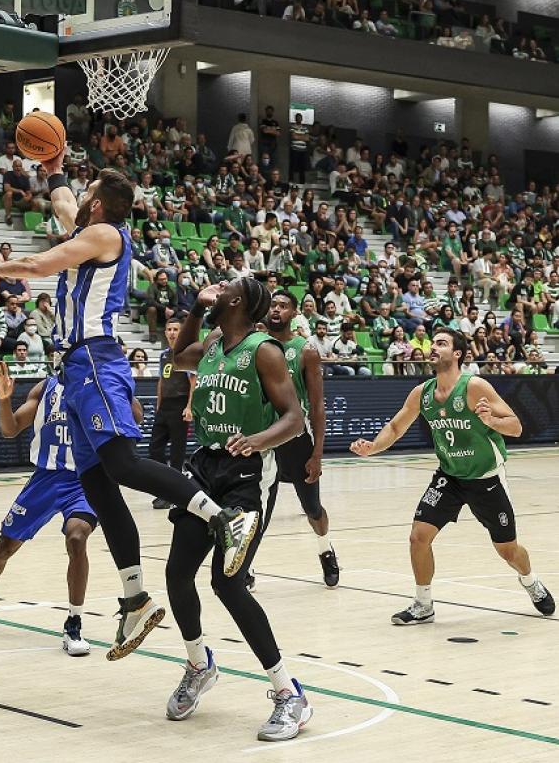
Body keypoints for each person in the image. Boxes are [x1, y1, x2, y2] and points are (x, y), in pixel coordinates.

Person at [0, 159, 263, 661]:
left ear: (100, 205)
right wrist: (54, 169)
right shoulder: (89, 227)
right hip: (72, 368)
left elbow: (40, 267)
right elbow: (63, 203)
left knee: (122, 465)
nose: (77, 195)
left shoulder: (104, 234)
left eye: (86, 190)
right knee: (100, 488)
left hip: (96, 361)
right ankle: (135, 599)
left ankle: (224, 516)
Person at [165, 277, 310, 740]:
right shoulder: (210, 343)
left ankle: (290, 693)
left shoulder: (263, 350)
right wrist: (193, 307)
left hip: (246, 474)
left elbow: (294, 418)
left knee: (227, 584)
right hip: (205, 466)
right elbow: (175, 357)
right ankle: (198, 664)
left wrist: (256, 441)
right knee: (176, 572)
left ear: (239, 302)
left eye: (224, 286)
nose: (217, 287)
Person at [350, 328, 555, 624]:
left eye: (441, 343)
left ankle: (530, 581)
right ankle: (423, 604)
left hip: (486, 478)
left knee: (508, 550)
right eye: (433, 342)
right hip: (449, 477)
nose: (434, 347)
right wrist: (373, 448)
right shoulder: (422, 393)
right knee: (418, 536)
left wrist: (491, 420)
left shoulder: (475, 387)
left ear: (457, 354)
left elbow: (516, 426)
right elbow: (395, 428)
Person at [0, 363, 133, 657]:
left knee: (77, 538)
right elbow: (10, 428)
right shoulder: (46, 388)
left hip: (85, 479)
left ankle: (74, 621)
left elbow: (138, 416)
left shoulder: (102, 384)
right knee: (4, 546)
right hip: (45, 479)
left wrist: (116, 387)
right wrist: (4, 400)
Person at [264, 291, 339, 588]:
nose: (277, 310)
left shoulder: (305, 350)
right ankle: (244, 567)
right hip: (262, 439)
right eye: (273, 305)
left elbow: (318, 404)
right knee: (255, 510)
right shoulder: (255, 346)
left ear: (294, 314)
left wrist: (317, 452)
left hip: (296, 439)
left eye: (283, 306)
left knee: (313, 509)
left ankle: (325, 550)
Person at [150, 319, 195, 511]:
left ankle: (173, 494)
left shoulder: (185, 354)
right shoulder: (164, 355)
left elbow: (193, 381)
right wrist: (159, 404)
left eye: (176, 329)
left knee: (177, 453)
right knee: (154, 449)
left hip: (180, 405)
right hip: (165, 407)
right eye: (168, 329)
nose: (171, 332)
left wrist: (189, 407)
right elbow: (162, 380)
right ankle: (164, 486)